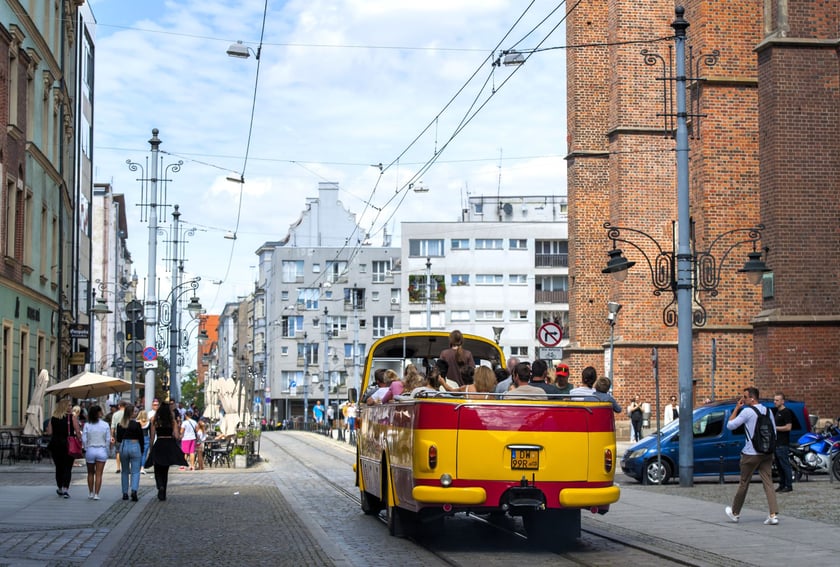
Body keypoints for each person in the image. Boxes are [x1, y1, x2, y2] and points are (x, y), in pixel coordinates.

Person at [724, 387, 779, 525]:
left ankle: (735, 513)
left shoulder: (747, 411)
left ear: (752, 398)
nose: (743, 399)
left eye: (745, 397)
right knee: (768, 482)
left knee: (744, 482)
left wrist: (737, 409)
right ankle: (773, 515)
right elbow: (774, 432)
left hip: (751, 453)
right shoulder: (768, 411)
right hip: (766, 452)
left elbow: (730, 425)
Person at [148, 401, 188, 501]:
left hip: (159, 442)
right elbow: (176, 436)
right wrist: (180, 435)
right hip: (169, 444)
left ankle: (159, 485)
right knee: (165, 469)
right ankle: (163, 492)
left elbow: (152, 437)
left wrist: (151, 448)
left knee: (157, 467)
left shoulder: (155, 420)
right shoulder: (172, 420)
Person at [46, 398, 81, 498]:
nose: (71, 407)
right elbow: (77, 431)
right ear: (64, 406)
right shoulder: (72, 417)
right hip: (68, 444)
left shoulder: (53, 418)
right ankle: (65, 488)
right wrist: (80, 440)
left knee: (59, 467)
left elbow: (49, 432)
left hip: (55, 445)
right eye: (69, 405)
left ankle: (60, 487)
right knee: (67, 467)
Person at [116, 403, 144, 502]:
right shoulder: (136, 425)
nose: (136, 413)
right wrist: (142, 450)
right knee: (135, 471)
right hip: (135, 445)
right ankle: (134, 490)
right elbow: (141, 438)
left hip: (124, 446)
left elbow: (118, 439)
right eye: (135, 411)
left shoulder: (120, 424)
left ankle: (124, 493)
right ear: (131, 413)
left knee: (124, 471)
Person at [82, 405, 110, 500]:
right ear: (98, 413)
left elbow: (84, 439)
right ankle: (97, 494)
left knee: (90, 473)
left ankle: (90, 492)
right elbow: (107, 439)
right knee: (99, 474)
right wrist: (107, 450)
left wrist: (86, 448)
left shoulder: (87, 425)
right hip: (101, 449)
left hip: (90, 449)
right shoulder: (105, 425)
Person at [772, 392, 794, 493]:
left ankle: (788, 485)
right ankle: (782, 484)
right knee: (779, 466)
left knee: (785, 464)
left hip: (782, 443)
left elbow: (788, 427)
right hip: (777, 443)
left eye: (777, 400)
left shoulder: (786, 412)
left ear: (782, 401)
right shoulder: (777, 412)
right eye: (774, 400)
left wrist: (775, 428)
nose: (775, 402)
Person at [110, 400, 127, 474]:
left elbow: (113, 426)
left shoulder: (115, 414)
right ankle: (125, 467)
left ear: (119, 406)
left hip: (118, 434)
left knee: (118, 451)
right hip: (127, 433)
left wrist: (112, 436)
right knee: (126, 450)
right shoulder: (127, 414)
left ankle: (118, 467)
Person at [137, 409, 150, 475]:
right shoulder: (148, 422)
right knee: (144, 454)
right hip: (146, 438)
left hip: (138, 438)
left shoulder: (137, 422)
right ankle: (142, 468)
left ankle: (137, 467)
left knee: (138, 453)